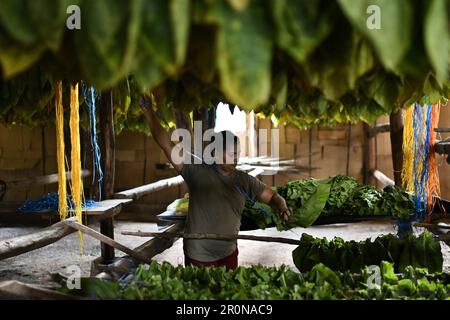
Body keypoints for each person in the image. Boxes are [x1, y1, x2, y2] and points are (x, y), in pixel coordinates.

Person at [141, 102, 292, 270]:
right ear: (216, 153)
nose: (237, 159)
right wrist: (149, 114)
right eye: (232, 154)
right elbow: (167, 145)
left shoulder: (244, 180)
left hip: (228, 252)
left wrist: (280, 204)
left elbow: (271, 196)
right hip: (198, 253)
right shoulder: (195, 169)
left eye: (238, 154)